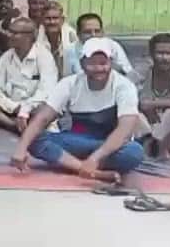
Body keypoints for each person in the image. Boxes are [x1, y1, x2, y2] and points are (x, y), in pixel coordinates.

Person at [11, 37, 145, 183]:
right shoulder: (69, 83)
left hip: (110, 145)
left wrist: (95, 157)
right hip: (78, 141)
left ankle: (74, 164)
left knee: (134, 153)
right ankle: (91, 171)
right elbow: (43, 118)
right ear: (82, 64)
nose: (99, 69)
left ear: (110, 63)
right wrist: (21, 148)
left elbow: (124, 130)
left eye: (103, 63)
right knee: (32, 138)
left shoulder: (124, 86)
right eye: (92, 64)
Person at [0, 17, 59, 134]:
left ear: (29, 36)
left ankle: (22, 125)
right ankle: (14, 125)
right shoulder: (7, 57)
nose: (9, 35)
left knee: (47, 109)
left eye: (14, 33)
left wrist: (26, 108)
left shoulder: (44, 56)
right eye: (9, 31)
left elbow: (47, 91)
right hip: (11, 107)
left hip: (33, 108)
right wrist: (14, 107)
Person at [63, 13, 133, 77]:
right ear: (78, 34)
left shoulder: (113, 47)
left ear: (102, 32)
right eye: (87, 32)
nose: (93, 35)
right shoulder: (70, 51)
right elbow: (67, 80)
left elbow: (128, 73)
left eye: (97, 31)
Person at [38, 1, 77, 72]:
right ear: (42, 20)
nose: (52, 22)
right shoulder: (36, 36)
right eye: (48, 18)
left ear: (62, 20)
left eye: (55, 18)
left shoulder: (71, 35)